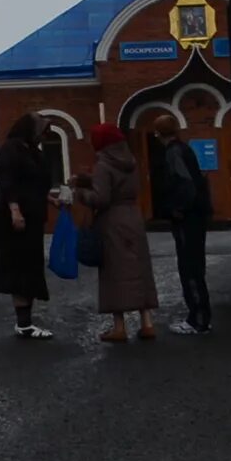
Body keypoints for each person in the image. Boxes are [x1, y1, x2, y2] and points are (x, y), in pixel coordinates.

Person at [71, 122, 158, 342]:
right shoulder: (131, 161)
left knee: (114, 272)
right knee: (139, 268)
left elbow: (101, 198)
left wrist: (80, 192)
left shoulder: (103, 164)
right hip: (133, 216)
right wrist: (88, 180)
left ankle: (119, 327)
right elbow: (119, 185)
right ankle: (147, 322)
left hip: (113, 221)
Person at [0, 120, 56, 339]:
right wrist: (15, 211)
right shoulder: (11, 150)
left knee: (31, 266)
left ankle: (25, 322)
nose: (44, 137)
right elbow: (7, 182)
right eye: (43, 132)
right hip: (12, 218)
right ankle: (24, 323)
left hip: (32, 218)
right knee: (18, 267)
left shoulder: (33, 152)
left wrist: (50, 199)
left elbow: (35, 184)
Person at [149, 124, 214, 335]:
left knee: (189, 267)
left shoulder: (173, 152)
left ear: (159, 133)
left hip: (187, 217)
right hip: (196, 215)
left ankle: (197, 319)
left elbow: (185, 183)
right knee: (196, 265)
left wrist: (178, 208)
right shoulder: (184, 149)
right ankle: (201, 316)